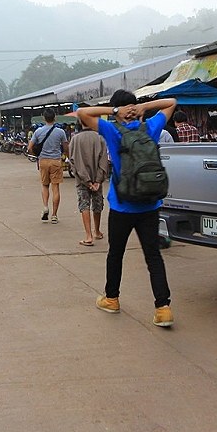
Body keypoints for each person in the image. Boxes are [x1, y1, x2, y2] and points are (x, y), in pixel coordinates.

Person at [76, 90, 177, 328]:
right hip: (150, 205)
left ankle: (112, 299)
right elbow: (172, 102)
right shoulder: (150, 127)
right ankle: (163, 309)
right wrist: (144, 107)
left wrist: (113, 112)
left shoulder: (113, 130)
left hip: (123, 207)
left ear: (118, 112)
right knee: (153, 256)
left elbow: (81, 113)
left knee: (116, 253)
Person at [69, 124, 110, 246]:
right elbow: (104, 160)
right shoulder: (100, 138)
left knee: (84, 204)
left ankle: (88, 236)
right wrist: (97, 181)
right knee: (97, 204)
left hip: (82, 180)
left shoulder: (75, 139)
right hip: (97, 179)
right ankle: (97, 231)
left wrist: (86, 181)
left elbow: (73, 161)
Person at [28, 109, 69, 223]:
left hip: (43, 161)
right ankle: (54, 215)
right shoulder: (60, 132)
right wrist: (67, 156)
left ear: (43, 118)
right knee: (55, 187)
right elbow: (66, 147)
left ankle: (45, 207)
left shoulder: (38, 131)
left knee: (45, 185)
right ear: (55, 118)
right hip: (56, 161)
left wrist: (35, 155)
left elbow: (30, 147)